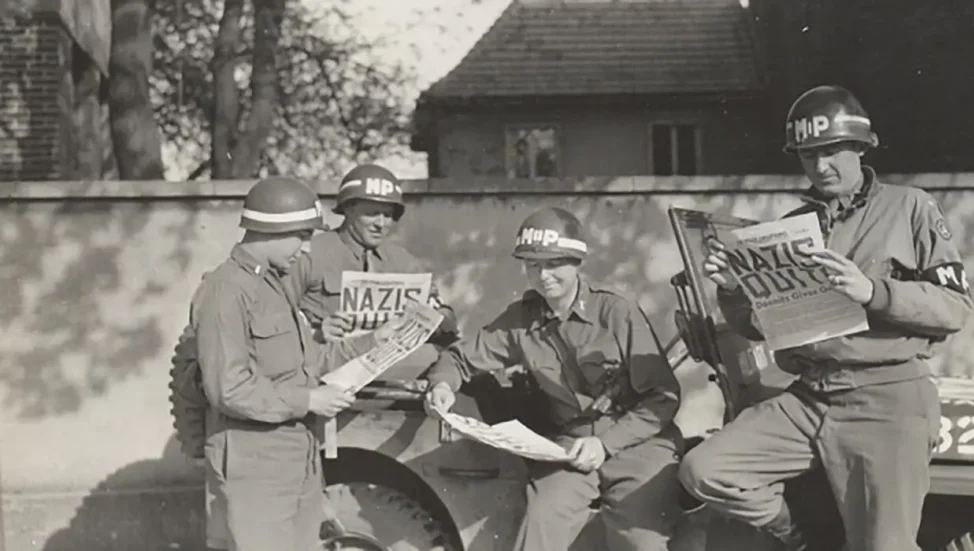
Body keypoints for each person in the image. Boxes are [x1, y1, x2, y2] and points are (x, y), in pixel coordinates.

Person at [677, 85, 973, 551]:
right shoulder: (794, 224)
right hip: (809, 396)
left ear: (860, 147)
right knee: (706, 469)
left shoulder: (909, 207)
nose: (820, 166)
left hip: (886, 398)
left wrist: (873, 292)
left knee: (885, 546)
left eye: (831, 151)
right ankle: (804, 539)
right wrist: (734, 290)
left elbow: (955, 306)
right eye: (808, 155)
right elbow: (762, 324)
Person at [422, 206, 684, 551]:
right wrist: (441, 385)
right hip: (571, 450)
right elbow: (459, 357)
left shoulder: (615, 312)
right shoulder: (520, 320)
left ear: (577, 262)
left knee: (640, 541)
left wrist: (606, 444)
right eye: (533, 265)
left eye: (554, 263)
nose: (544, 275)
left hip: (639, 444)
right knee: (541, 525)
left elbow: (663, 397)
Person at [188, 176, 378, 551]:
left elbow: (310, 362)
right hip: (256, 462)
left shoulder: (273, 287)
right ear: (272, 230)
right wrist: (309, 401)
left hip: (296, 455)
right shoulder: (226, 290)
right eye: (302, 236)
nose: (307, 248)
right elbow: (229, 387)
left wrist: (375, 341)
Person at [295, 163, 458, 343]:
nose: (381, 223)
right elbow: (273, 315)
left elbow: (443, 314)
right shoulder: (309, 254)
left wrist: (437, 317)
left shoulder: (402, 261)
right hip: (331, 362)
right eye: (372, 213)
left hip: (396, 363)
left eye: (388, 215)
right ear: (348, 208)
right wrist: (315, 333)